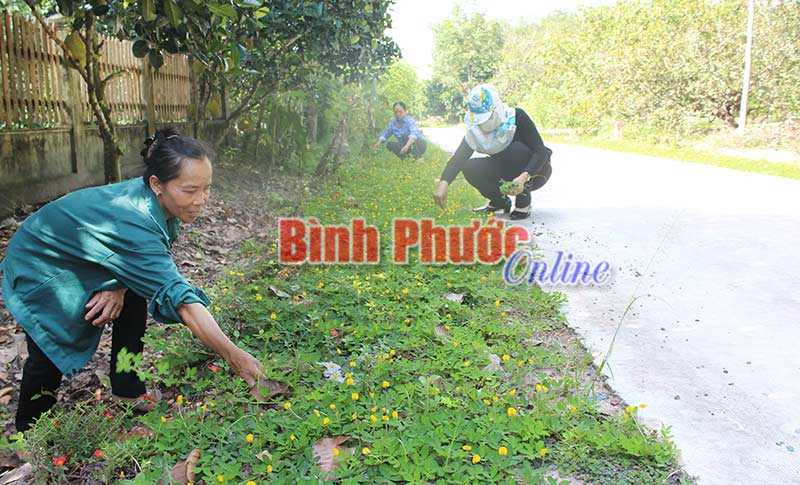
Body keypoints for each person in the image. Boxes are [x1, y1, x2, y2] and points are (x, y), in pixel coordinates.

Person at [0, 127, 265, 432]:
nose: (201, 200)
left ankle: (126, 388)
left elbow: (130, 258)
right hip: (39, 260)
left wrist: (120, 284)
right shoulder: (136, 219)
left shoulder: (154, 202)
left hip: (77, 251)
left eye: (206, 188)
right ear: (157, 184)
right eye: (190, 190)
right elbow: (181, 300)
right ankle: (28, 431)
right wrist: (234, 355)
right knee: (50, 341)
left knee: (134, 298)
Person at [432, 84, 553, 220]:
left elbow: (541, 152)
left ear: (497, 109)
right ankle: (499, 202)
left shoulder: (516, 116)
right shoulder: (475, 131)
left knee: (515, 151)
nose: (482, 123)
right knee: (470, 167)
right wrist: (443, 184)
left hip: (536, 170)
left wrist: (523, 177)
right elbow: (458, 160)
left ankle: (523, 202)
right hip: (504, 167)